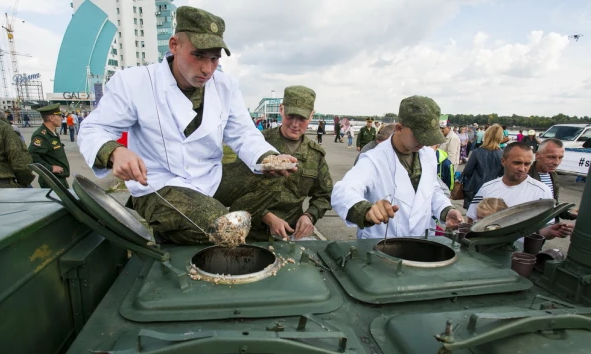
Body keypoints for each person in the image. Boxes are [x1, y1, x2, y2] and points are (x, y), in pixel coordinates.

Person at [77, 6, 295, 245]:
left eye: (214, 58)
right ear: (174, 45)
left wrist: (267, 158)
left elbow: (243, 133)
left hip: (210, 178)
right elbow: (92, 129)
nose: (207, 68)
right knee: (216, 224)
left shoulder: (225, 86)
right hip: (158, 182)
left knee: (277, 175)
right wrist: (115, 152)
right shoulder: (135, 82)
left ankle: (220, 223)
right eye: (198, 55)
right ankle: (205, 224)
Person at [332, 95, 463, 239]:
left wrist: (445, 209)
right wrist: (366, 210)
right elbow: (343, 191)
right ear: (400, 128)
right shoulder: (374, 159)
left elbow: (432, 190)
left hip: (422, 243)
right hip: (382, 246)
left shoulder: (428, 155)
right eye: (418, 136)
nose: (423, 142)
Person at [215, 86, 332, 241]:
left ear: (311, 116)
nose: (295, 124)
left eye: (302, 119)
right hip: (252, 232)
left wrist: (309, 216)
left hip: (290, 235)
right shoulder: (256, 146)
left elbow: (323, 194)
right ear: (281, 109)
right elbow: (236, 190)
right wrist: (268, 218)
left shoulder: (315, 154)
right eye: (291, 116)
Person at [466, 143, 573, 240]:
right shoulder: (487, 188)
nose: (522, 169)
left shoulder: (542, 191)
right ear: (503, 161)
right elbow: (471, 220)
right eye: (517, 163)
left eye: (527, 164)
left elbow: (544, 229)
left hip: (519, 255)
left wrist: (551, 231)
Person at [528, 138, 577, 220]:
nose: (556, 162)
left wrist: (568, 213)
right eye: (551, 157)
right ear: (537, 156)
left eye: (560, 157)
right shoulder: (524, 176)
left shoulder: (553, 175)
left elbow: (553, 205)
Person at [461, 124, 504, 209]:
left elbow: (467, 171)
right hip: (493, 190)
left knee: (472, 215)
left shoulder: (477, 152)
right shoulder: (503, 154)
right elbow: (503, 173)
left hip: (475, 188)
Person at [28, 103, 71, 188]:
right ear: (51, 118)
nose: (61, 118)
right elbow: (32, 155)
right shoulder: (41, 135)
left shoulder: (52, 133)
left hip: (58, 178)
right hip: (51, 179)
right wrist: (50, 168)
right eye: (59, 116)